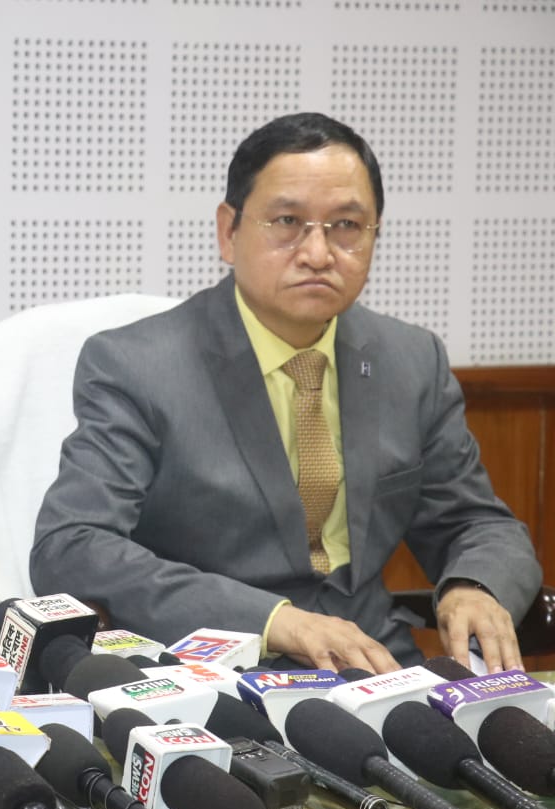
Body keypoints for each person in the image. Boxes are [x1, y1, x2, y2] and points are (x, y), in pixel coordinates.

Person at [30, 112, 541, 676]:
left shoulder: (411, 360)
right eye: (288, 221)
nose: (318, 253)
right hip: (216, 677)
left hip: (382, 668)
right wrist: (275, 620)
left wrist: (473, 586)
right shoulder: (137, 365)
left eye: (346, 225)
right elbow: (72, 544)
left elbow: (478, 523)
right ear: (229, 232)